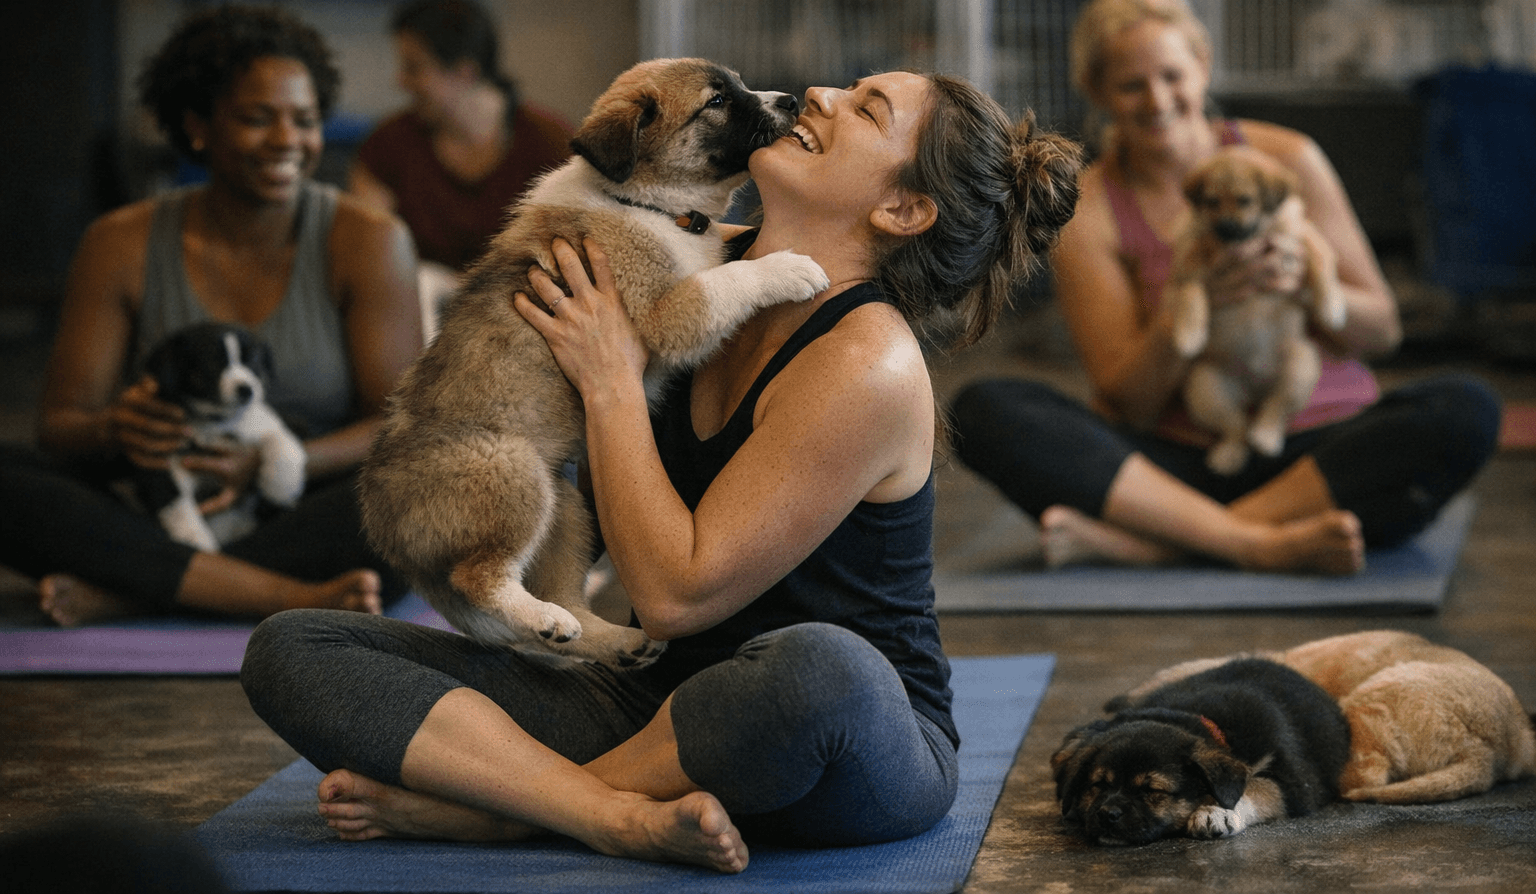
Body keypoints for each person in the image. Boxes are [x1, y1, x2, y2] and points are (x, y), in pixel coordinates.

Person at [239, 72, 1082, 871]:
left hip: (825, 741)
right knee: (296, 646)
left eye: (866, 111)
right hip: (650, 700)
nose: (822, 93)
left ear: (903, 208)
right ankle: (605, 811)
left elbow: (675, 593)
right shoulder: (675, 260)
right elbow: (596, 516)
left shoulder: (869, 360)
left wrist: (610, 377)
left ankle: (510, 807)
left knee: (824, 668)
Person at [949, 0, 1501, 575]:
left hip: (1322, 448)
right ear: (1097, 91)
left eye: (1172, 75)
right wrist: (1194, 302)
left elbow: (1383, 331)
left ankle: (1166, 544)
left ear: (1203, 66)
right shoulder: (1091, 207)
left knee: (1464, 407)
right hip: (1181, 462)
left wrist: (1305, 288)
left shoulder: (1289, 159)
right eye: (1132, 85)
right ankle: (1257, 541)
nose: (1157, 101)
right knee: (985, 410)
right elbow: (1128, 401)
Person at [0, 4, 422, 625]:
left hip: (298, 500)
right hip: (161, 500)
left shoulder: (368, 240)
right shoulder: (119, 243)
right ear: (197, 125)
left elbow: (399, 424)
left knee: (415, 497)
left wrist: (278, 462)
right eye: (257, 118)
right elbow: (60, 426)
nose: (287, 141)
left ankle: (132, 591)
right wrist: (117, 429)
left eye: (304, 121)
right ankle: (280, 595)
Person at [348, 0, 573, 334]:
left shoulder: (550, 145)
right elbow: (369, 254)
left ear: (465, 71)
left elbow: (573, 257)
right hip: (420, 322)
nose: (400, 82)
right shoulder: (388, 146)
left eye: (414, 68)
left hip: (525, 323)